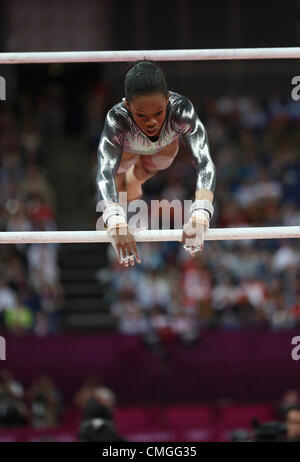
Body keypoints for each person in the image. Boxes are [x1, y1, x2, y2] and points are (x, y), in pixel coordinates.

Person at [96, 61, 216, 267]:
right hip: (128, 151)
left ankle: (136, 179)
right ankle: (130, 182)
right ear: (127, 106)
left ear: (168, 99)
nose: (151, 122)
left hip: (162, 151)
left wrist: (201, 214)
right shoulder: (117, 118)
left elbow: (204, 160)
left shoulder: (181, 109)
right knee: (118, 172)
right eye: (141, 115)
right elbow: (105, 169)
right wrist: (115, 222)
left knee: (154, 163)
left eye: (159, 113)